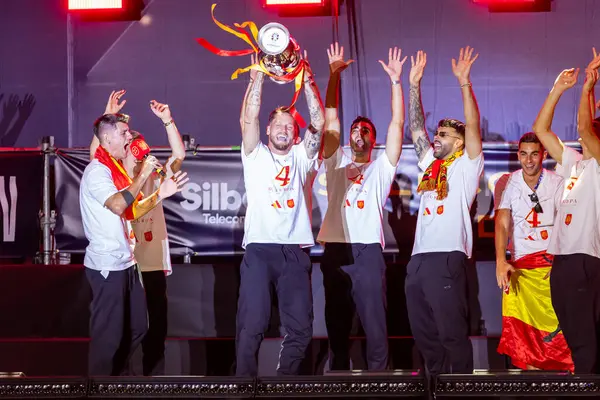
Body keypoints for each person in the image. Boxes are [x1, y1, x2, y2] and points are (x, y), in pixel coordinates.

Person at [316, 43, 406, 371]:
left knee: (375, 323)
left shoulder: (381, 168)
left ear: (373, 139)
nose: (358, 132)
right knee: (336, 322)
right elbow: (330, 121)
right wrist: (334, 75)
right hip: (336, 249)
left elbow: (397, 125)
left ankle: (379, 380)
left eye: (365, 130)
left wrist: (396, 83)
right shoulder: (336, 161)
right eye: (354, 129)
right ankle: (338, 374)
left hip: (367, 251)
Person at [235, 52, 325, 377]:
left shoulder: (302, 157)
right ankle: (245, 387)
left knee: (301, 328)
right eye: (278, 124)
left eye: (290, 125)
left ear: (295, 134)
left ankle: (283, 385)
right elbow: (249, 117)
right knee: (252, 325)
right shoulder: (255, 154)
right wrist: (258, 73)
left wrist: (308, 79)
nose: (284, 129)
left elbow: (319, 120)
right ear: (268, 129)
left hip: (295, 251)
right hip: (259, 249)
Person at [80, 113, 187, 376]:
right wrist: (144, 176)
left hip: (128, 262)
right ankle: (99, 388)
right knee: (109, 337)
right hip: (107, 265)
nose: (130, 137)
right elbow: (119, 205)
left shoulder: (115, 170)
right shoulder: (98, 171)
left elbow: (132, 210)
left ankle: (117, 378)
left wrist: (159, 194)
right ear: (108, 138)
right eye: (125, 133)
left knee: (139, 326)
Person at [405, 47, 483, 378]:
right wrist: (413, 85)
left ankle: (463, 391)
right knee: (426, 339)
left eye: (445, 135)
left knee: (452, 335)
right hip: (419, 259)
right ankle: (431, 390)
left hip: (447, 257)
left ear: (461, 143)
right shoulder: (430, 165)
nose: (436, 138)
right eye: (438, 133)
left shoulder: (467, 165)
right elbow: (416, 129)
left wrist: (464, 83)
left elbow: (473, 125)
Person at [532, 50, 600, 374]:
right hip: (564, 262)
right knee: (579, 343)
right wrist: (557, 90)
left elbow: (586, 130)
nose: (581, 137)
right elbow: (541, 130)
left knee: (589, 346)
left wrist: (588, 89)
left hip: (590, 260)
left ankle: (587, 389)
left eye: (589, 136)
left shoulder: (598, 164)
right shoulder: (574, 162)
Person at [494, 132, 573, 372]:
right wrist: (500, 261)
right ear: (518, 155)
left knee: (556, 332)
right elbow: (502, 222)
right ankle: (532, 385)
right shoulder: (510, 182)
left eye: (535, 154)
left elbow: (565, 223)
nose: (529, 161)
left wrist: (561, 264)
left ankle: (562, 385)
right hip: (521, 269)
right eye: (524, 154)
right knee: (523, 335)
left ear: (544, 155)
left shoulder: (557, 182)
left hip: (551, 267)